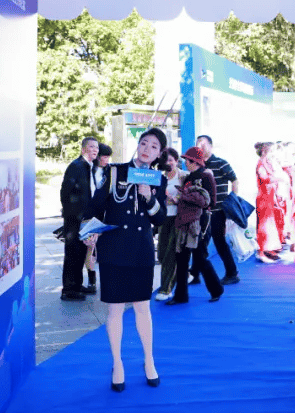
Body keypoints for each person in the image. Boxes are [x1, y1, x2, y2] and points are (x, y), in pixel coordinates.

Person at [84, 128, 168, 390]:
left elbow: (160, 218)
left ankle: (149, 360)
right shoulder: (114, 172)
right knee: (115, 310)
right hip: (114, 250)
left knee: (143, 307)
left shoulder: (157, 180)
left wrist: (149, 197)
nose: (147, 149)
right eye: (144, 143)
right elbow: (94, 207)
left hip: (141, 250)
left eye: (154, 146)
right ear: (137, 145)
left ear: (159, 154)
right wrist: (89, 233)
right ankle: (117, 363)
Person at [167, 147, 225, 304]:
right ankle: (181, 296)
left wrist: (186, 197)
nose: (185, 162)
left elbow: (211, 201)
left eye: (188, 160)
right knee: (181, 259)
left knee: (199, 257)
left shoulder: (206, 176)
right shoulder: (189, 177)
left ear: (195, 161)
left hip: (198, 222)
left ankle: (216, 289)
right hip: (183, 221)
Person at [195, 135, 240, 285]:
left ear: (211, 146)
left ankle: (232, 273)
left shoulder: (221, 163)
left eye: (203, 144)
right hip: (202, 211)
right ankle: (195, 274)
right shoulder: (197, 165)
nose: (201, 147)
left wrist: (232, 201)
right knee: (199, 242)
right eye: (198, 144)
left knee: (219, 241)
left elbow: (234, 180)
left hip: (218, 210)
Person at [59, 136, 99, 301]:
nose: (95, 150)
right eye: (91, 147)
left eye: (97, 147)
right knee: (72, 253)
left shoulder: (89, 167)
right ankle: (68, 290)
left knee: (81, 252)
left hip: (85, 220)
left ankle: (77, 285)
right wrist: (72, 215)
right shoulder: (76, 166)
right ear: (83, 149)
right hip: (74, 219)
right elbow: (65, 191)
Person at [83, 142, 113, 294]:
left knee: (105, 248)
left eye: (108, 157)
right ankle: (92, 281)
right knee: (90, 247)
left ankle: (109, 280)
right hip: (89, 214)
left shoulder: (111, 171)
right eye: (104, 157)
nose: (106, 160)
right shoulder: (87, 169)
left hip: (106, 215)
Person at [154, 148, 183, 301]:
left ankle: (166, 289)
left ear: (176, 161)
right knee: (161, 253)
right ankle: (178, 276)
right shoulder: (159, 177)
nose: (168, 163)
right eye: (165, 160)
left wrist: (173, 198)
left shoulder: (183, 177)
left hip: (178, 219)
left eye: (171, 160)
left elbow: (189, 197)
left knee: (170, 254)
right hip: (163, 218)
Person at [255, 141, 287, 263]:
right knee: (263, 226)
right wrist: (280, 178)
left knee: (269, 225)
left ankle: (268, 249)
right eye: (272, 151)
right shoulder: (261, 164)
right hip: (263, 198)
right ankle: (261, 252)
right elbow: (265, 179)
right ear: (265, 151)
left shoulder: (267, 163)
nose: (274, 153)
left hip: (269, 197)